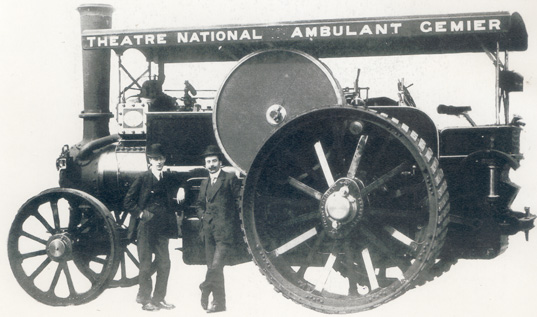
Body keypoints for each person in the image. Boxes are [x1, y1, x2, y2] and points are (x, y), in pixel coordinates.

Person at [123, 143, 184, 311]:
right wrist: (141, 214)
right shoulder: (143, 178)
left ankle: (159, 298)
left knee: (165, 263)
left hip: (163, 227)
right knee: (146, 264)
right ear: (150, 160)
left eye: (161, 158)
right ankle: (144, 299)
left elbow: (185, 179)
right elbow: (128, 201)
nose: (159, 161)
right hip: (146, 227)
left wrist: (181, 189)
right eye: (155, 159)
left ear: (164, 160)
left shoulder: (168, 177)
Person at [196, 145, 241, 313]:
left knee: (216, 266)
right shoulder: (204, 182)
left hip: (225, 231)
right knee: (213, 268)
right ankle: (219, 304)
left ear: (220, 162)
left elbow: (239, 202)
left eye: (214, 161)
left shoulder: (229, 178)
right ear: (205, 165)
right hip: (209, 231)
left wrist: (234, 223)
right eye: (208, 162)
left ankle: (204, 286)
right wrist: (203, 216)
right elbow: (199, 205)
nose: (211, 164)